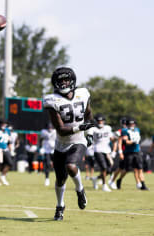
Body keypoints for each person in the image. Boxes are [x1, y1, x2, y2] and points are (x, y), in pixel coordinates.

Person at [43, 67, 95, 221]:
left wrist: (89, 133)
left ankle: (80, 189)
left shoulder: (83, 93)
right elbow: (60, 130)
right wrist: (80, 127)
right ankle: (60, 206)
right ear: (55, 83)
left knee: (71, 166)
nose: (64, 83)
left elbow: (88, 114)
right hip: (61, 143)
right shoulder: (51, 100)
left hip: (78, 140)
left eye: (66, 79)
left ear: (72, 80)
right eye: (61, 80)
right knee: (60, 179)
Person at [116, 118, 149, 190]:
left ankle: (143, 185)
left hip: (137, 152)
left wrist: (136, 143)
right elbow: (126, 142)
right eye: (130, 124)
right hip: (129, 153)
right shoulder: (125, 131)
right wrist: (134, 141)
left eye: (133, 124)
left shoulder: (137, 130)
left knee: (140, 169)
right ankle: (119, 180)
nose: (132, 125)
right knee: (127, 169)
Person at [88, 114, 115, 192]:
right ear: (96, 122)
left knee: (109, 170)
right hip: (97, 150)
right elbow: (89, 140)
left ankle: (95, 179)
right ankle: (104, 185)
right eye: (99, 121)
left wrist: (116, 138)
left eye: (102, 121)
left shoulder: (108, 128)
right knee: (104, 168)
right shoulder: (93, 129)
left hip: (107, 151)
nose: (100, 122)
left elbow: (112, 139)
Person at [0, 118, 14, 186]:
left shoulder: (7, 131)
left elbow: (9, 141)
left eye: (5, 123)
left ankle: (3, 176)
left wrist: (11, 150)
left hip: (5, 149)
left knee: (10, 163)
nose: (4, 125)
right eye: (3, 123)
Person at [108, 117, 128, 189]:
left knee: (124, 168)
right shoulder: (120, 131)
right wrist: (117, 151)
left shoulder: (131, 130)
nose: (125, 125)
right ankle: (112, 180)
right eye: (124, 123)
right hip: (123, 151)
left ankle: (114, 180)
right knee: (119, 167)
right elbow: (113, 140)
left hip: (129, 151)